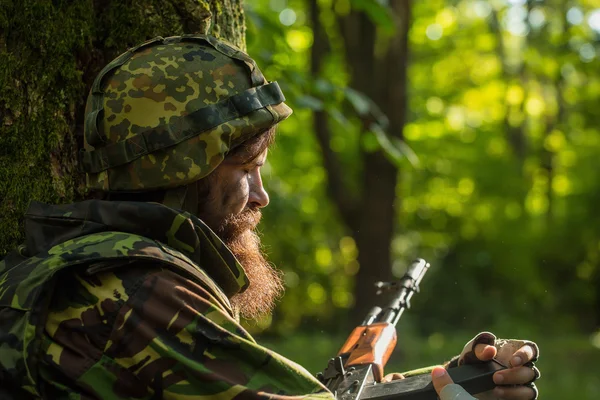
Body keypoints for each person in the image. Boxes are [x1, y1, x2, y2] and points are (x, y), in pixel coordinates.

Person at [0, 34, 539, 399]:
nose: (262, 196)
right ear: (185, 172)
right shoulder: (139, 293)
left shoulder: (91, 266)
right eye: (246, 168)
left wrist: (450, 380)